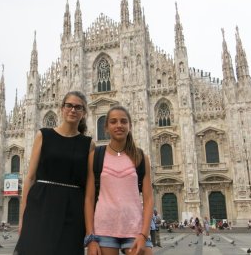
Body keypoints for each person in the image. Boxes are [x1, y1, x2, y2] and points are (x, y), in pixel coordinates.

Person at [14, 91, 94, 255]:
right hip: (41, 204)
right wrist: (22, 218)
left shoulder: (88, 144)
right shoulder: (43, 135)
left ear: (84, 113)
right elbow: (29, 178)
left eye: (78, 107)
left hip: (73, 208)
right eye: (69, 105)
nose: (73, 110)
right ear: (61, 108)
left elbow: (89, 190)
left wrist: (89, 227)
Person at [85, 105, 154, 255]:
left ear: (130, 126)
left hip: (135, 228)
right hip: (104, 228)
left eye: (123, 121)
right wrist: (91, 238)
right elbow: (89, 199)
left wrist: (144, 234)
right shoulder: (95, 156)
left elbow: (149, 199)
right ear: (106, 127)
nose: (119, 125)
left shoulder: (141, 158)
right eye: (113, 122)